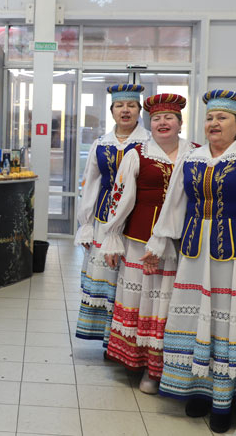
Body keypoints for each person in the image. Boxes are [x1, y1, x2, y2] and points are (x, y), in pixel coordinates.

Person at [141, 90, 236, 433]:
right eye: (209, 118)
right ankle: (198, 391)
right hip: (195, 254)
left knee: (227, 322)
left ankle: (225, 399)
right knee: (196, 321)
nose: (213, 124)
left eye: (222, 118)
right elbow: (174, 204)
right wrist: (158, 243)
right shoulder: (191, 159)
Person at [98, 94, 198, 394]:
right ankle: (144, 366)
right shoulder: (137, 154)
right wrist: (112, 236)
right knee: (144, 302)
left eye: (169, 118)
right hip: (141, 242)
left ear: (180, 123)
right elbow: (120, 198)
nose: (162, 123)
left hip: (183, 243)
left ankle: (173, 368)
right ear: (149, 124)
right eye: (156, 119)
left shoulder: (196, 154)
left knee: (173, 304)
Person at [74, 84, 150, 345]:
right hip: (104, 219)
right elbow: (90, 183)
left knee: (131, 277)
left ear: (139, 110)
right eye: (119, 106)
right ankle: (107, 337)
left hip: (137, 219)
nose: (125, 110)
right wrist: (85, 224)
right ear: (112, 111)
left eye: (131, 105)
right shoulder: (100, 144)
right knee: (107, 274)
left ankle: (126, 340)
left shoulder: (149, 143)